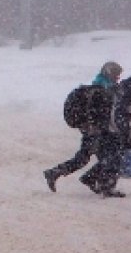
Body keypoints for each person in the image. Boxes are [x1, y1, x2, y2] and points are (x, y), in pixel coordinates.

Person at [44, 61, 122, 192]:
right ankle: (100, 184)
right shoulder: (101, 89)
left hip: (92, 130)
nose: (117, 78)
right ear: (109, 73)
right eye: (116, 75)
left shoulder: (101, 86)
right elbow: (98, 112)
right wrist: (97, 128)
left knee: (89, 158)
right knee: (106, 158)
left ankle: (58, 173)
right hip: (95, 131)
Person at [83, 69, 131, 198]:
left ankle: (93, 178)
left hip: (110, 128)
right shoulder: (125, 93)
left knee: (113, 156)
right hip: (112, 129)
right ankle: (105, 186)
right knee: (116, 157)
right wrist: (125, 134)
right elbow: (118, 115)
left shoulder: (126, 89)